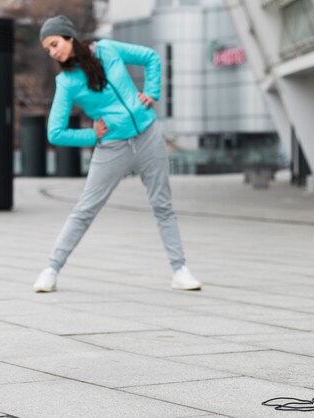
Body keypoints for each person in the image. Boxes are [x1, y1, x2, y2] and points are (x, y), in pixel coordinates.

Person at [33, 15, 201, 293]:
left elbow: (150, 57)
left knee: (163, 206)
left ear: (69, 37)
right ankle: (51, 269)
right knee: (85, 210)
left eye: (54, 44)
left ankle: (180, 270)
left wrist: (152, 91)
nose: (53, 52)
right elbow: (55, 132)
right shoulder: (67, 81)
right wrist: (92, 135)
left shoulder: (107, 49)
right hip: (112, 147)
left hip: (148, 135)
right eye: (48, 49)